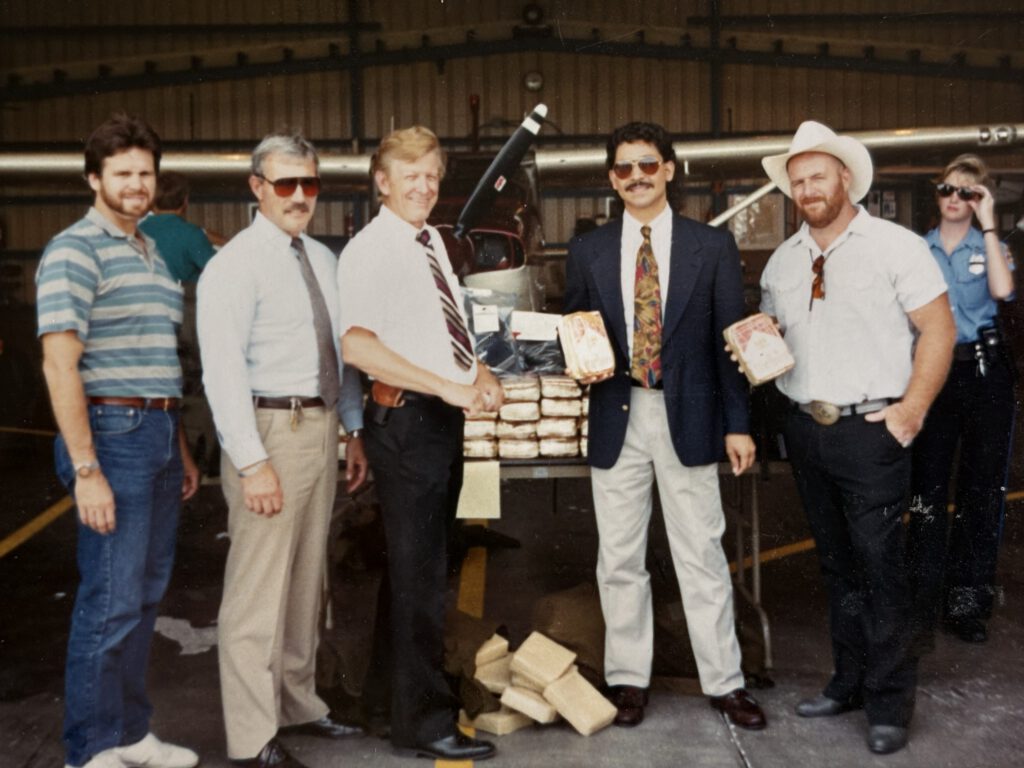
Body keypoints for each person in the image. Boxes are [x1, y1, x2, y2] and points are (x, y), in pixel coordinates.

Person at [758, 120, 955, 755]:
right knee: (836, 566)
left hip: (873, 430)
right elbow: (776, 343)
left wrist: (911, 410)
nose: (807, 189)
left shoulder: (896, 247)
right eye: (797, 182)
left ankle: (890, 703)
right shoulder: (783, 260)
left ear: (846, 178)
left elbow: (940, 331)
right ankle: (847, 682)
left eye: (818, 176)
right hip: (807, 431)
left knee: (880, 568)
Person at [563, 121, 766, 732]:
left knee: (700, 553)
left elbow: (731, 338)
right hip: (617, 413)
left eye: (648, 164)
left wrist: (738, 423)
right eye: (624, 169)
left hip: (691, 415)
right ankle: (628, 681)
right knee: (620, 557)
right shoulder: (589, 250)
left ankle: (725, 683)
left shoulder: (711, 246)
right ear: (611, 179)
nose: (637, 177)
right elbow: (578, 332)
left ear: (670, 170)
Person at [197, 134, 368, 768]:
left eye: (310, 184)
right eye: (286, 184)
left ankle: (299, 703)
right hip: (270, 431)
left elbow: (340, 354)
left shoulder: (322, 259)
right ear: (257, 187)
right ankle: (251, 735)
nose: (300, 197)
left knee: (306, 579)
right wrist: (250, 462)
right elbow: (221, 374)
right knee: (256, 590)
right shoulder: (234, 267)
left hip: (320, 429)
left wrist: (351, 428)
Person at [36, 113, 200, 768]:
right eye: (123, 174)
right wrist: (86, 469)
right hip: (111, 436)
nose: (137, 185)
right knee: (108, 599)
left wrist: (180, 446)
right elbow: (58, 363)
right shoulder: (74, 250)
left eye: (146, 173)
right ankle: (91, 748)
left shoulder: (150, 250)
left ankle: (131, 733)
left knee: (143, 595)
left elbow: (158, 357)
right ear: (94, 178)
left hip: (156, 430)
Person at [337, 126, 502, 762]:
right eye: (410, 174)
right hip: (407, 423)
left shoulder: (428, 240)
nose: (423, 186)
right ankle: (427, 724)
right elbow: (358, 346)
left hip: (436, 420)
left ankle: (385, 703)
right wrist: (444, 387)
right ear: (382, 181)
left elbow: (443, 326)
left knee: (414, 571)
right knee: (422, 577)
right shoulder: (370, 249)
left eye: (432, 175)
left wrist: (477, 375)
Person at [907, 154, 1016, 651]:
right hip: (933, 370)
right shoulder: (916, 249)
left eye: (968, 193)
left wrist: (989, 225)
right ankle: (922, 603)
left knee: (980, 491)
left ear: (981, 200)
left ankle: (967, 606)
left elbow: (1003, 289)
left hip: (982, 371)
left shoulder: (989, 246)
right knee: (926, 492)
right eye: (947, 190)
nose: (955, 199)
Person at [138, 171, 217, 284]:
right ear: (185, 201)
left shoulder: (136, 232)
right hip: (182, 298)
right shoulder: (191, 234)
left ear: (151, 201)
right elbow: (217, 269)